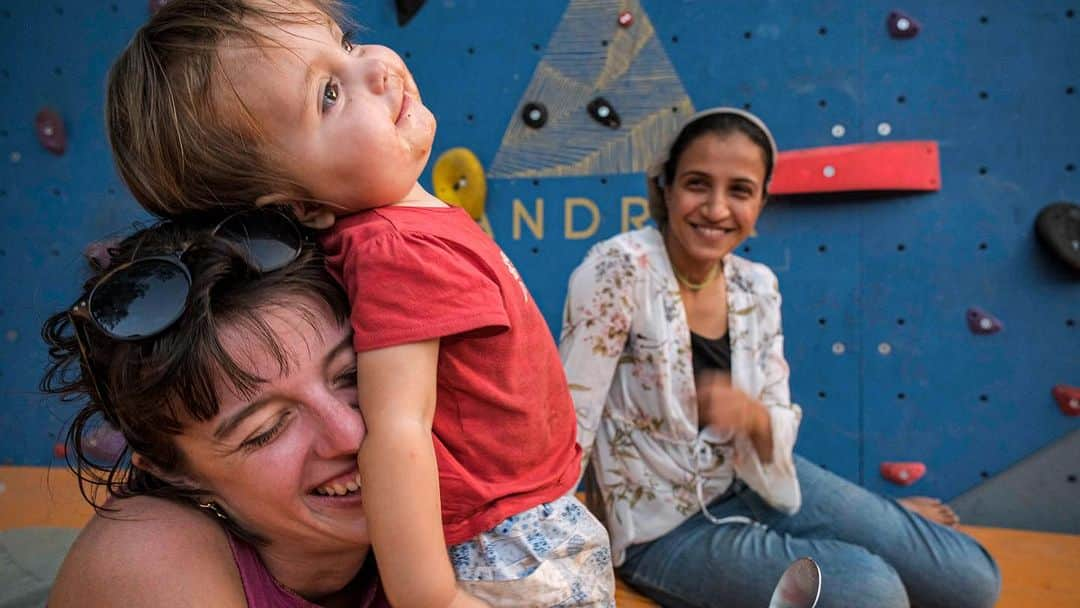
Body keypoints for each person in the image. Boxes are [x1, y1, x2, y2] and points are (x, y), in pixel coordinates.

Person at [103, 1, 613, 606]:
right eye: (326, 96)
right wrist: (430, 596)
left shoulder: (414, 230)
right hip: (504, 541)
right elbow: (399, 430)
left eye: (343, 45)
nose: (374, 69)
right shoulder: (397, 254)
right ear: (300, 207)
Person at [560, 107, 1002, 608]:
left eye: (740, 191)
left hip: (758, 480)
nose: (716, 208)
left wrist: (753, 418)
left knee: (971, 579)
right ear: (665, 188)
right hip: (660, 530)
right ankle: (865, 540)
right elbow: (570, 416)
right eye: (697, 184)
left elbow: (774, 426)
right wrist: (549, 548)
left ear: (763, 202)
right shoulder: (616, 270)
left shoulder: (758, 286)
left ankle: (874, 528)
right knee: (873, 592)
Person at [41, 213, 386, 607]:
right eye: (267, 429)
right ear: (176, 473)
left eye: (352, 375)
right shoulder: (147, 565)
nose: (350, 433)